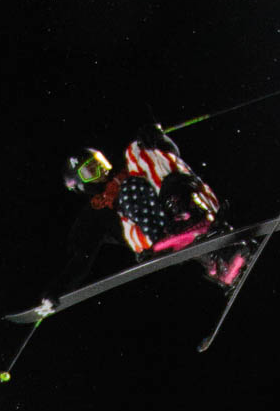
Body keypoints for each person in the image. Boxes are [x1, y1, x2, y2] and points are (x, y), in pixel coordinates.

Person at [37, 125, 246, 309]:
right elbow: (80, 258)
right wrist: (57, 290)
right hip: (153, 235)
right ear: (80, 185)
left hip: (187, 204)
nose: (101, 171)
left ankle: (217, 251)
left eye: (100, 163)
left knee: (137, 150)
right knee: (129, 187)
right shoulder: (95, 214)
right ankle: (207, 252)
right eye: (91, 172)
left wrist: (157, 138)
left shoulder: (129, 167)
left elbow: (169, 159)